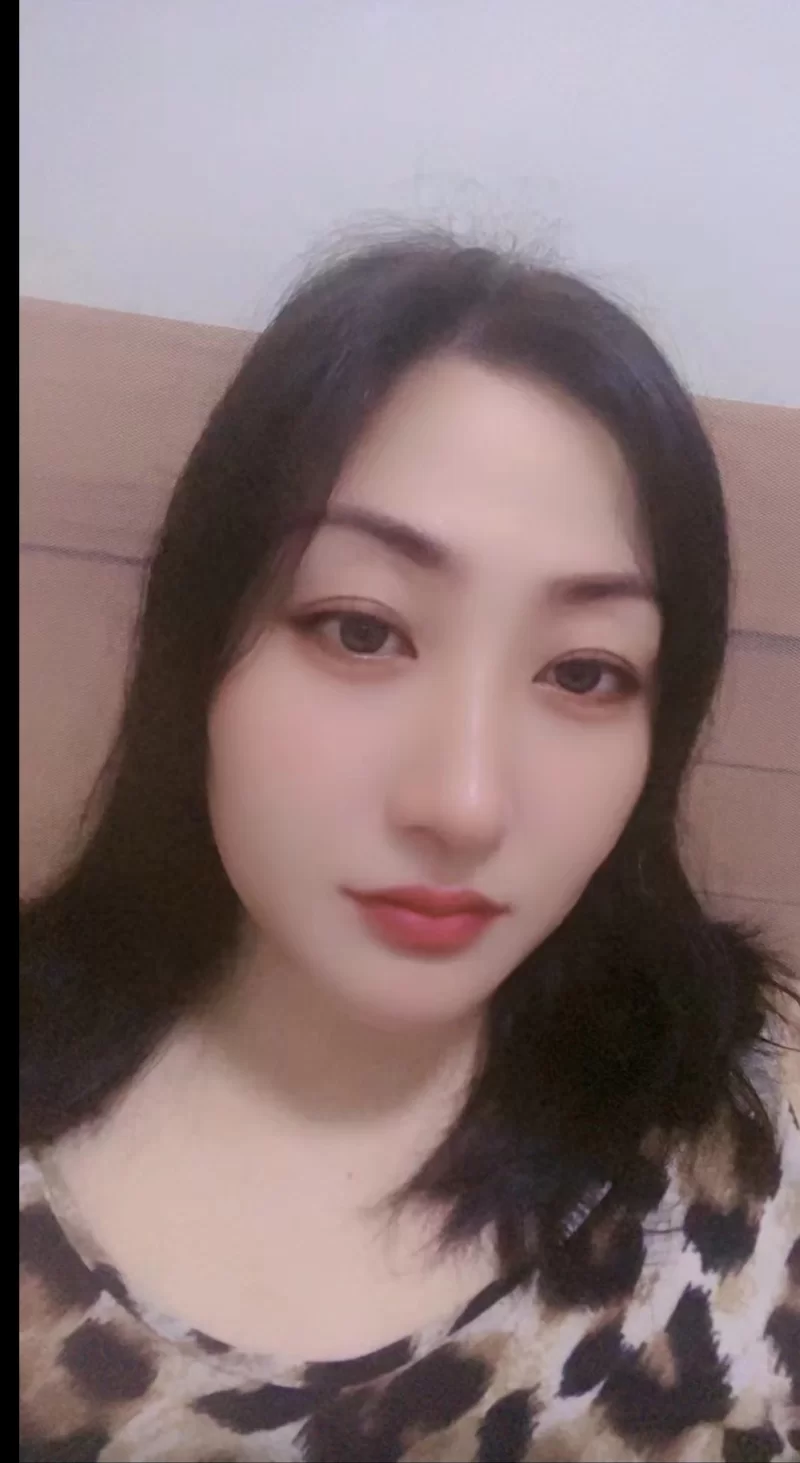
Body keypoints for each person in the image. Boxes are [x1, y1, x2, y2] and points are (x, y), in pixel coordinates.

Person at [20, 234, 799, 1463]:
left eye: (583, 672)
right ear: (198, 649)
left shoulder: (763, 1138)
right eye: (360, 629)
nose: (463, 801)